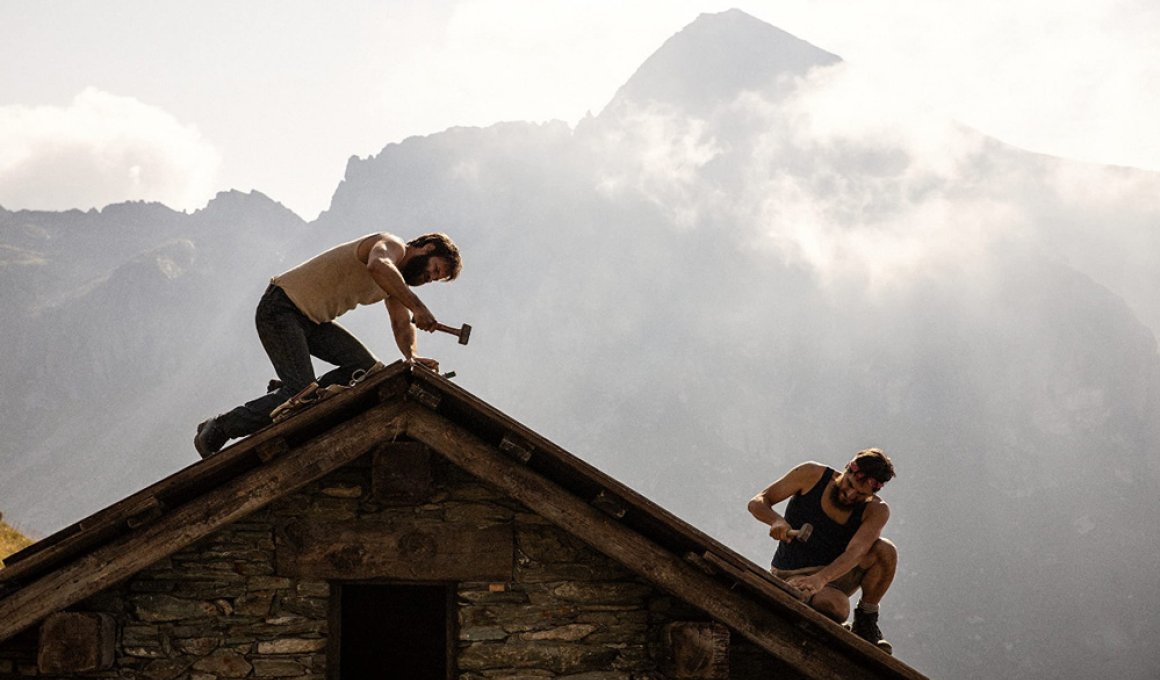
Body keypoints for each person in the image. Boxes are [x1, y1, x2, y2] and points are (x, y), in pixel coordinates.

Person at [194, 231, 462, 458]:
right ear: (427, 247)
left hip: (312, 322)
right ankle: (222, 426)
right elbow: (378, 265)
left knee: (367, 369)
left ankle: (294, 393)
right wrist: (418, 305)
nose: (430, 278)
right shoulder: (391, 245)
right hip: (281, 308)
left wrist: (411, 358)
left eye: (435, 279)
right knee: (300, 391)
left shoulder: (395, 283)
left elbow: (402, 324)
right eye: (435, 270)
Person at [747, 448, 898, 653]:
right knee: (836, 607)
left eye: (862, 494)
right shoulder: (811, 475)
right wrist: (776, 520)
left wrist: (821, 579)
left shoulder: (877, 510)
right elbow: (758, 501)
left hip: (832, 575)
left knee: (886, 551)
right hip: (791, 572)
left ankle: (866, 621)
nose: (851, 494)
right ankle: (798, 593)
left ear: (873, 493)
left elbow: (856, 552)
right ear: (848, 468)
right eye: (850, 484)